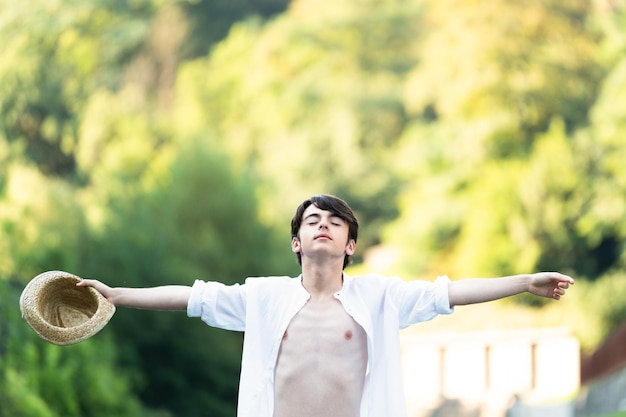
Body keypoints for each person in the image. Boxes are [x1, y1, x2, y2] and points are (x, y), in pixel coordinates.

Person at [77, 194, 574, 417]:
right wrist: (118, 295)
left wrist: (524, 281)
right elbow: (192, 297)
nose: (323, 225)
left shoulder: (380, 297)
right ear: (296, 242)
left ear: (350, 245)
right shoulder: (263, 297)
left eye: (335, 222)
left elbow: (450, 292)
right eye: (312, 220)